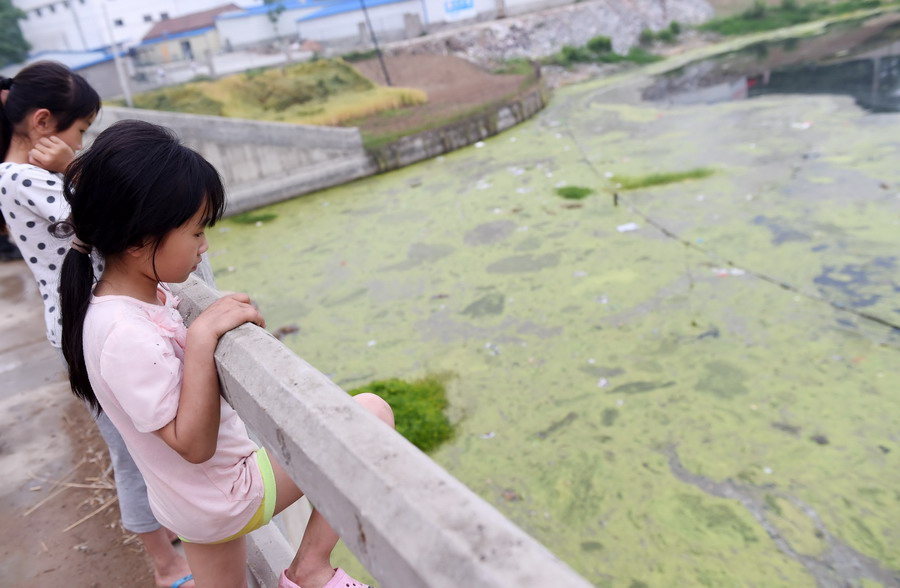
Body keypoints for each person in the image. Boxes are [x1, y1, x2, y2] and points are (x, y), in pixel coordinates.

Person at [56, 119, 395, 588]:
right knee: (371, 414)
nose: (204, 246)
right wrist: (200, 338)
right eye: (196, 233)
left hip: (187, 504)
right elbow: (194, 446)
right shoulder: (123, 334)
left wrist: (203, 322)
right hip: (227, 497)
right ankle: (310, 568)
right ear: (137, 241)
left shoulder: (124, 304)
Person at [0, 62, 195, 588]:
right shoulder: (17, 177)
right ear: (43, 123)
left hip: (95, 321)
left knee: (140, 442)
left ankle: (170, 537)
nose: (80, 140)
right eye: (81, 129)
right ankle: (166, 566)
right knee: (132, 451)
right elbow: (100, 211)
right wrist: (77, 165)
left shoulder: (21, 175)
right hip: (88, 327)